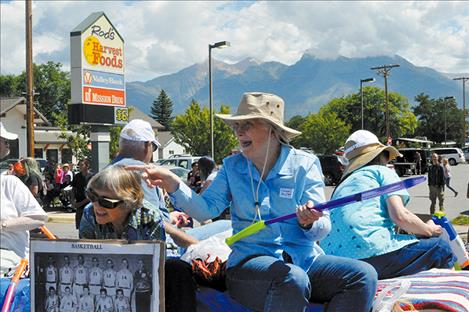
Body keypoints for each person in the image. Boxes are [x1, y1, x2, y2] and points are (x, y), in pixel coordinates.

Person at [131, 92, 378, 311]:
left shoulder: (304, 164)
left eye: (248, 125)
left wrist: (309, 223)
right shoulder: (231, 167)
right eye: (237, 125)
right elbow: (206, 208)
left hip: (305, 259)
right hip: (249, 264)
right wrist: (172, 182)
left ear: (273, 129)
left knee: (363, 276)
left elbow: (322, 227)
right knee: (292, 279)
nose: (239, 131)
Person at [321, 130, 455, 279]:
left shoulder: (341, 185)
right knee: (440, 248)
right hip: (369, 252)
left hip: (334, 262)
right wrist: (429, 229)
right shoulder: (381, 171)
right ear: (381, 156)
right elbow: (400, 216)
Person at [79, 165, 198, 312]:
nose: (96, 205)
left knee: (177, 269)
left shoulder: (150, 215)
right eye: (92, 196)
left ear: (127, 203)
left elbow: (155, 266)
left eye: (106, 202)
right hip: (105, 279)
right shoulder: (89, 213)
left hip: (140, 278)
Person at [0, 122, 48, 275]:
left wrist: (3, 225)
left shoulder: (9, 183)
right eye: (5, 141)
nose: (7, 145)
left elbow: (39, 218)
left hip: (11, 261)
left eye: (7, 142)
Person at [72, 158, 94, 229]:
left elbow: (93, 193)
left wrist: (81, 203)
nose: (80, 167)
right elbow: (73, 188)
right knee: (80, 226)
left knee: (89, 226)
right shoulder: (77, 176)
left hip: (89, 205)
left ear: (87, 166)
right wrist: (73, 201)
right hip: (79, 204)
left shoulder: (92, 177)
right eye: (79, 165)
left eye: (82, 165)